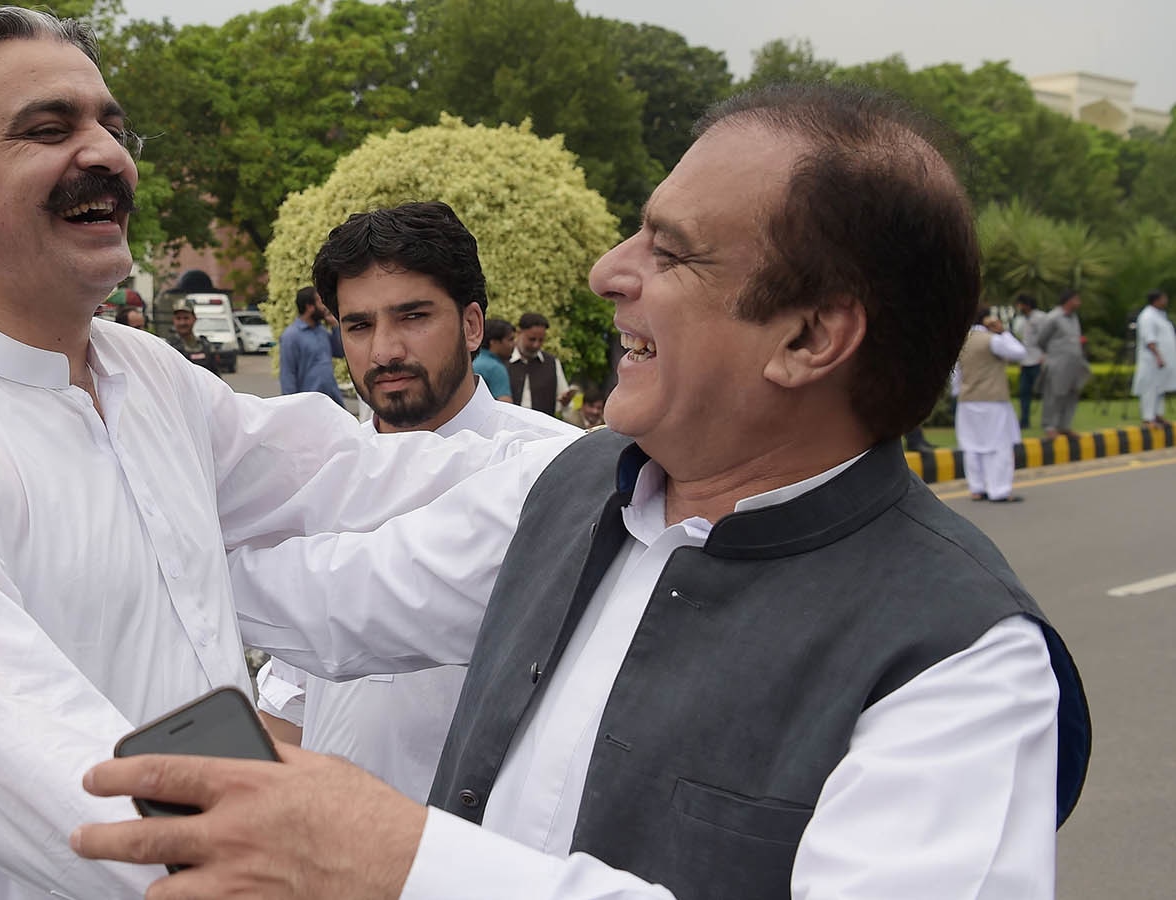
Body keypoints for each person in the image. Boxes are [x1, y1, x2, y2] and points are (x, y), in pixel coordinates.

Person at [75, 83, 1091, 900]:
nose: (610, 271)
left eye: (671, 251)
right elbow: (342, 601)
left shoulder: (959, 661)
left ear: (811, 338)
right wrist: (73, 422)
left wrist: (403, 861)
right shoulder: (573, 489)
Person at [0, 9, 544, 900]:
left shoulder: (144, 376)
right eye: (50, 129)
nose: (106, 154)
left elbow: (348, 479)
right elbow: (63, 782)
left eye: (111, 124)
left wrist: (608, 473)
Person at [254, 201, 580, 800]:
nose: (385, 351)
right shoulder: (316, 485)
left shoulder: (561, 475)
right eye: (358, 325)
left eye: (412, 317)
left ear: (472, 325)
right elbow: (290, 700)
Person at [954, 308, 1026, 502]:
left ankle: (977, 488)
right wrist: (1003, 332)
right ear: (987, 319)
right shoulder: (992, 340)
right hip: (992, 400)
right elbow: (1020, 353)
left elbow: (956, 375)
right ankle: (999, 490)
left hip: (967, 400)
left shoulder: (962, 341)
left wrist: (959, 393)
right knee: (999, 445)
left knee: (971, 445)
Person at [1035, 289, 1090, 438]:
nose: (1079, 302)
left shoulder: (1074, 317)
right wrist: (1053, 354)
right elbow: (1041, 340)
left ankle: (1064, 425)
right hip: (1057, 362)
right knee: (1054, 394)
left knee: (1072, 393)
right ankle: (1049, 426)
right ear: (1068, 300)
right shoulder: (1053, 317)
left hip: (1074, 362)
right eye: (1076, 299)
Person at [279, 285, 346, 406]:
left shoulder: (321, 331)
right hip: (308, 404)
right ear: (309, 307)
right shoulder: (291, 336)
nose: (325, 307)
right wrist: (290, 407)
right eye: (320, 303)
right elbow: (288, 375)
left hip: (331, 400)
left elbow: (341, 352)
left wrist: (335, 327)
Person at [508, 311, 574, 416]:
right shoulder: (503, 361)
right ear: (519, 333)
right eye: (531, 339)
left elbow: (564, 403)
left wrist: (565, 402)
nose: (536, 345)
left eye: (541, 340)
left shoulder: (552, 363)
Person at [1131, 289, 1175, 425]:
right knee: (1150, 388)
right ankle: (1148, 417)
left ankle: (1157, 414)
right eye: (1163, 298)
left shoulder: (1160, 315)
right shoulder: (1147, 316)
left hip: (1162, 362)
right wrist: (1158, 356)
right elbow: (1149, 339)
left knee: (1160, 387)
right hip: (1152, 360)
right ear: (1156, 300)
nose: (1165, 301)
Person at [1013, 293, 1048, 428]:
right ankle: (1024, 421)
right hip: (1025, 361)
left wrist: (1045, 356)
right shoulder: (1021, 320)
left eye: (1020, 304)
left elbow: (1046, 337)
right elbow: (1021, 340)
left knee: (1043, 392)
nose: (1019, 307)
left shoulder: (1040, 317)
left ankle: (1047, 421)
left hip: (1038, 360)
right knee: (1024, 393)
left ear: (1026, 304)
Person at [167, 296, 220, 374]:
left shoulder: (206, 346)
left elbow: (216, 378)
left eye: (186, 318)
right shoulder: (168, 348)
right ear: (173, 320)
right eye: (178, 318)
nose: (182, 323)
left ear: (194, 318)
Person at [473, 318, 515, 401]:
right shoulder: (495, 368)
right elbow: (505, 402)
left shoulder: (471, 360)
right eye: (510, 340)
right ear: (494, 342)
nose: (514, 344)